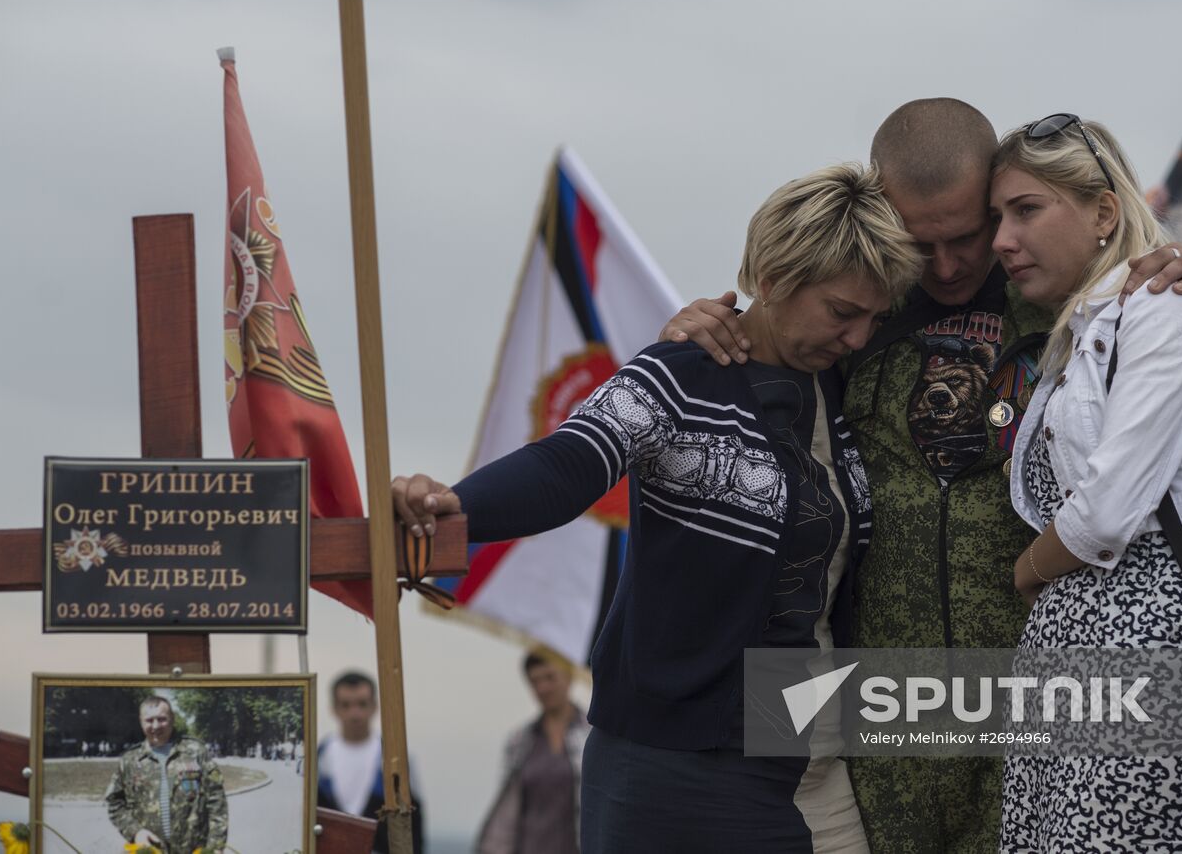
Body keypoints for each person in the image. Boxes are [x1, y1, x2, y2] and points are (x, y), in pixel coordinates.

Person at [659, 99, 1182, 852]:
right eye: (924, 245)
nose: (950, 265)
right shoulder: (857, 311)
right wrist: (703, 337)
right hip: (883, 710)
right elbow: (760, 376)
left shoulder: (1069, 301)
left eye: (970, 235)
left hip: (1043, 691)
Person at [394, 163, 923, 852]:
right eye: (842, 313)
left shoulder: (844, 384)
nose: (857, 336)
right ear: (773, 275)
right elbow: (567, 464)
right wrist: (451, 504)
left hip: (789, 745)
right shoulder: (678, 373)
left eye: (873, 319)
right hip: (662, 754)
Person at [991, 115, 1182, 851]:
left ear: (1104, 211)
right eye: (997, 217)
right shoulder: (1089, 325)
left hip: (1146, 639)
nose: (1000, 241)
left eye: (1025, 209)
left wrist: (1026, 571)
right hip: (1084, 643)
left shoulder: (1163, 309)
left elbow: (1107, 512)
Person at [476, 651, 592, 854]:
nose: (543, 688)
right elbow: (507, 808)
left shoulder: (592, 736)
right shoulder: (519, 741)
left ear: (568, 676)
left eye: (549, 677)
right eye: (535, 681)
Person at [105, 695, 228, 854]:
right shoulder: (129, 760)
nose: (155, 726)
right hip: (148, 851)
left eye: (162, 719)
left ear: (172, 719)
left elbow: (217, 801)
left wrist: (215, 848)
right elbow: (114, 803)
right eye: (149, 720)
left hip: (194, 849)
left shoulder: (196, 751)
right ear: (141, 721)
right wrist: (135, 832)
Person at [318, 671, 425, 854]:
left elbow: (414, 820)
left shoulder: (396, 759)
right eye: (346, 705)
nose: (355, 713)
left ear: (374, 706)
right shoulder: (318, 759)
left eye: (362, 704)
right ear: (334, 709)